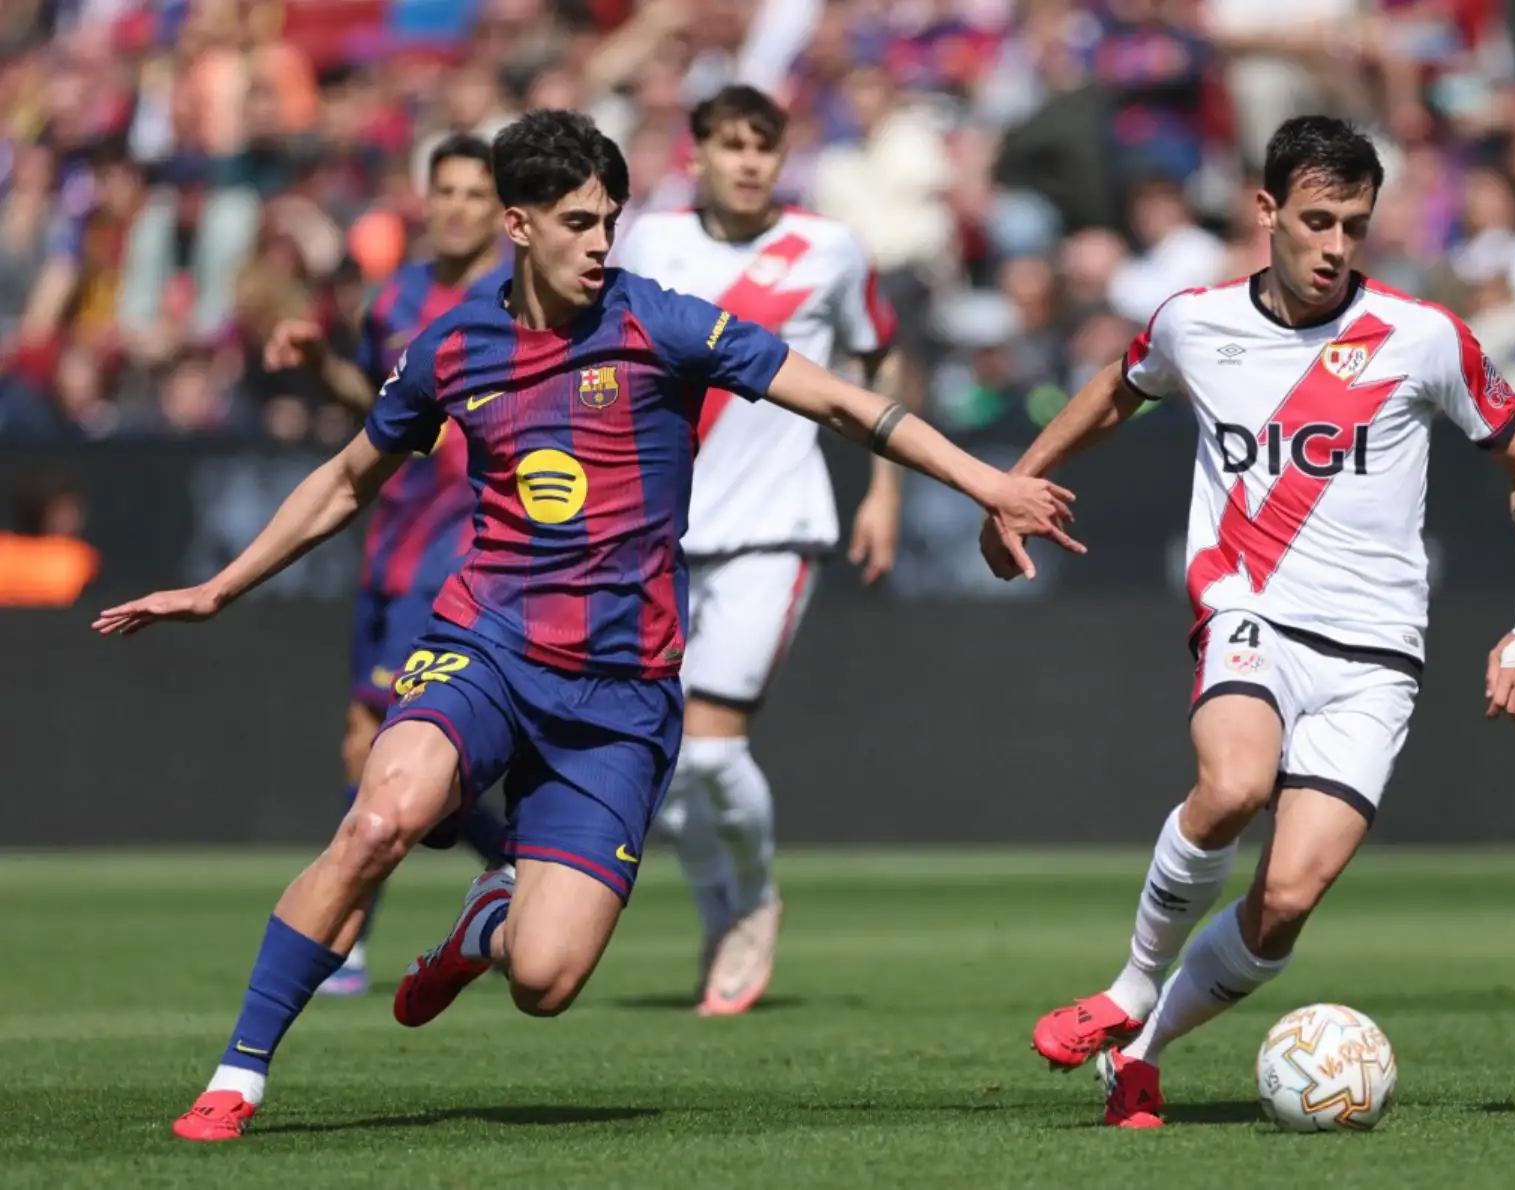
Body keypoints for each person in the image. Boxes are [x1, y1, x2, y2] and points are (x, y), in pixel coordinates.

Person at [95, 109, 1082, 1143]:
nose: (602, 243)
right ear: (518, 225)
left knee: (545, 979)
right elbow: (349, 478)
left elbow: (839, 401)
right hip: (484, 644)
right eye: (578, 222)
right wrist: (221, 587)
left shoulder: (662, 323)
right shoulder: (454, 346)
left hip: (620, 695)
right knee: (381, 817)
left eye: (610, 219)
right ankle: (239, 1071)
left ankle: (490, 917)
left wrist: (991, 482)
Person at [992, 116, 1515, 1128]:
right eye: (1315, 220)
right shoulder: (1194, 323)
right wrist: (1017, 484)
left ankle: (1143, 1048)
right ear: (1266, 212)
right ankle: (1128, 986)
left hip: (1378, 655)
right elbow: (1120, 391)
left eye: (1354, 223)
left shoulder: (1423, 336)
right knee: (1236, 780)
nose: (1336, 246)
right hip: (1249, 612)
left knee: (1287, 898)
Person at [609, 84, 905, 1016]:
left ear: (784, 158)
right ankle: (720, 914)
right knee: (665, 773)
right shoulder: (649, 241)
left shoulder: (828, 249)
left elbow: (877, 357)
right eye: (729, 144)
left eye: (763, 147)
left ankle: (755, 901)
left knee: (707, 750)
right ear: (693, 152)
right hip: (660, 532)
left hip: (777, 525)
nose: (747, 162)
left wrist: (884, 491)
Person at [263, 134, 514, 997]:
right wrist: (322, 363)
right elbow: (382, 408)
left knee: (373, 742)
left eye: (475, 194)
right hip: (391, 540)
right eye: (443, 190)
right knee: (372, 751)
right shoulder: (397, 295)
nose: (455, 207)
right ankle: (519, 860)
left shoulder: (514, 301)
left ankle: (345, 938)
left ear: (502, 209)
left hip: (456, 550)